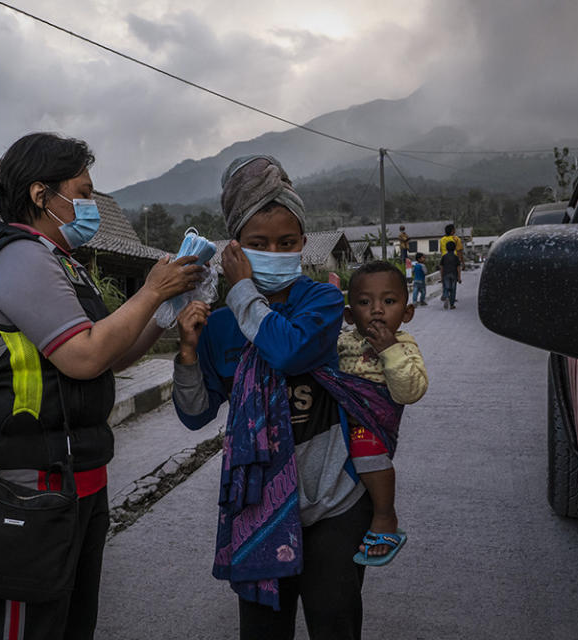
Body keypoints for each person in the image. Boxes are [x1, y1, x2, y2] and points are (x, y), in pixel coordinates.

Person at [0, 132, 203, 640]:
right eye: (82, 192)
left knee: (69, 624)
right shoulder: (21, 257)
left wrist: (160, 312)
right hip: (22, 485)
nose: (91, 204)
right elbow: (84, 358)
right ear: (42, 195)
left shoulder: (62, 262)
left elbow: (109, 354)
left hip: (73, 476)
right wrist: (149, 290)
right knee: (26, 629)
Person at [173, 154, 400, 639]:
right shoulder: (217, 327)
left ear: (302, 244)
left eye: (287, 242)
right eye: (258, 244)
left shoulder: (320, 301)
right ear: (236, 246)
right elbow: (196, 415)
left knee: (334, 621)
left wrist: (239, 293)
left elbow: (290, 351)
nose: (274, 251)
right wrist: (189, 354)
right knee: (263, 631)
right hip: (260, 511)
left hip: (335, 501)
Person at [339, 261, 428, 565]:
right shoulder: (342, 342)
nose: (377, 310)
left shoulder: (404, 346)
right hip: (338, 422)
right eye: (364, 302)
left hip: (371, 427)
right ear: (350, 315)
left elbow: (410, 391)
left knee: (367, 452)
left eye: (389, 302)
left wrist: (389, 350)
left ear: (407, 313)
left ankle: (385, 516)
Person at [440, 240, 462, 309]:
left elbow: (441, 267)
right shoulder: (456, 257)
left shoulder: (444, 257)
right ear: (454, 248)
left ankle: (446, 297)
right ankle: (452, 304)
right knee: (453, 290)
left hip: (446, 274)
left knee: (446, 288)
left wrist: (441, 277)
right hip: (454, 274)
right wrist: (459, 277)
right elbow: (458, 267)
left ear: (446, 248)